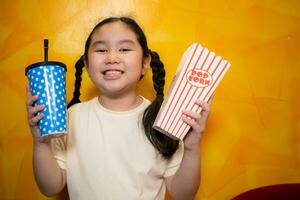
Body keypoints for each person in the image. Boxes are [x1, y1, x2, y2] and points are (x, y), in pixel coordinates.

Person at [26, 16, 212, 200]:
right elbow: (50, 188)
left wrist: (191, 148)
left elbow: (183, 194)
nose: (111, 57)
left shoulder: (164, 120)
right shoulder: (71, 117)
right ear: (87, 65)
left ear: (145, 63)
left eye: (124, 49)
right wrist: (41, 144)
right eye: (101, 49)